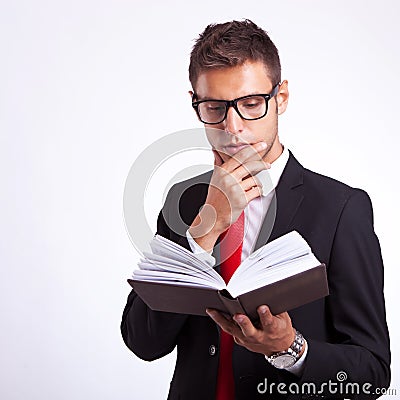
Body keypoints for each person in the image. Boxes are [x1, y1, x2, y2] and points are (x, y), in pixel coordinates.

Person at [121, 20, 390, 399]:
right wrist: (201, 235)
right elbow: (142, 341)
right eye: (214, 107)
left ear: (280, 98)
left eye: (250, 104)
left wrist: (292, 349)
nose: (232, 127)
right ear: (195, 102)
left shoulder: (342, 208)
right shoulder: (183, 201)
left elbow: (373, 374)